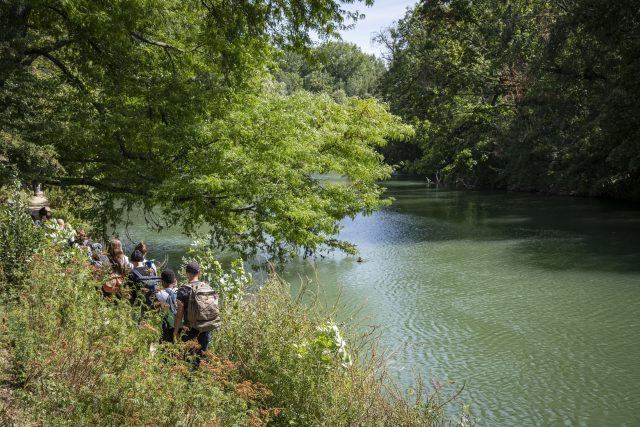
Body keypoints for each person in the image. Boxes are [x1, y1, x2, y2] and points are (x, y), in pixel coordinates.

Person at [174, 262, 218, 360]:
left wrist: (175, 331)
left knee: (187, 358)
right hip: (205, 328)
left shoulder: (183, 290)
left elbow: (179, 315)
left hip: (190, 330)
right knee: (202, 358)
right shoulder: (208, 287)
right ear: (199, 272)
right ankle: (202, 374)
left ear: (186, 273)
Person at [155, 269, 179, 343]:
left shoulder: (159, 294)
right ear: (174, 280)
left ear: (162, 281)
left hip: (168, 326)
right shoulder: (179, 291)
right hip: (180, 324)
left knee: (166, 346)